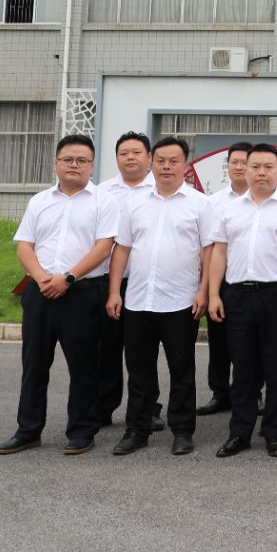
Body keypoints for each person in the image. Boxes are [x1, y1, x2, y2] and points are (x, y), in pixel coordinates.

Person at [0, 135, 118, 456]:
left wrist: (68, 277)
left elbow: (104, 247)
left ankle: (82, 430)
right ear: (56, 163)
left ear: (91, 165)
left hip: (83, 292)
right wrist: (40, 277)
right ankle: (28, 430)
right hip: (40, 291)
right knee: (34, 364)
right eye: (68, 159)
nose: (74, 165)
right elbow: (24, 246)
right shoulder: (40, 201)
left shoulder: (104, 201)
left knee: (84, 365)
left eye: (82, 160)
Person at [106, 136, 215, 457]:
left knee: (182, 371)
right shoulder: (134, 203)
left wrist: (204, 291)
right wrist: (114, 291)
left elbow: (209, 251)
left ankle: (182, 431)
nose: (167, 167)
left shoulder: (200, 204)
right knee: (139, 371)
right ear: (152, 162)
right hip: (138, 300)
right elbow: (122, 249)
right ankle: (136, 430)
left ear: (185, 165)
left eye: (174, 161)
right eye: (161, 161)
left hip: (181, 301)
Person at [208, 143, 277, 458]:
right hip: (237, 294)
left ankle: (274, 433)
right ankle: (239, 433)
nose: (261, 172)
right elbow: (219, 253)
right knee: (243, 368)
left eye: (268, 167)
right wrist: (214, 294)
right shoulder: (229, 208)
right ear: (245, 170)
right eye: (255, 167)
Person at [96, 132, 158, 432]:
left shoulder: (161, 189)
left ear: (149, 157)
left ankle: (149, 409)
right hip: (112, 282)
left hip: (148, 283)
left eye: (136, 152)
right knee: (107, 348)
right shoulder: (103, 192)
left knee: (145, 351)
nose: (130, 157)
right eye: (123, 153)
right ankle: (104, 407)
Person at [199, 143, 251, 417]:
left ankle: (253, 393)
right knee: (218, 341)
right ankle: (220, 393)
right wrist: (208, 288)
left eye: (245, 162)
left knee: (250, 342)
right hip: (222, 278)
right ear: (227, 166)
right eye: (234, 162)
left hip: (251, 280)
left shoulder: (264, 199)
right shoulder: (214, 202)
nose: (239, 167)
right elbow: (209, 248)